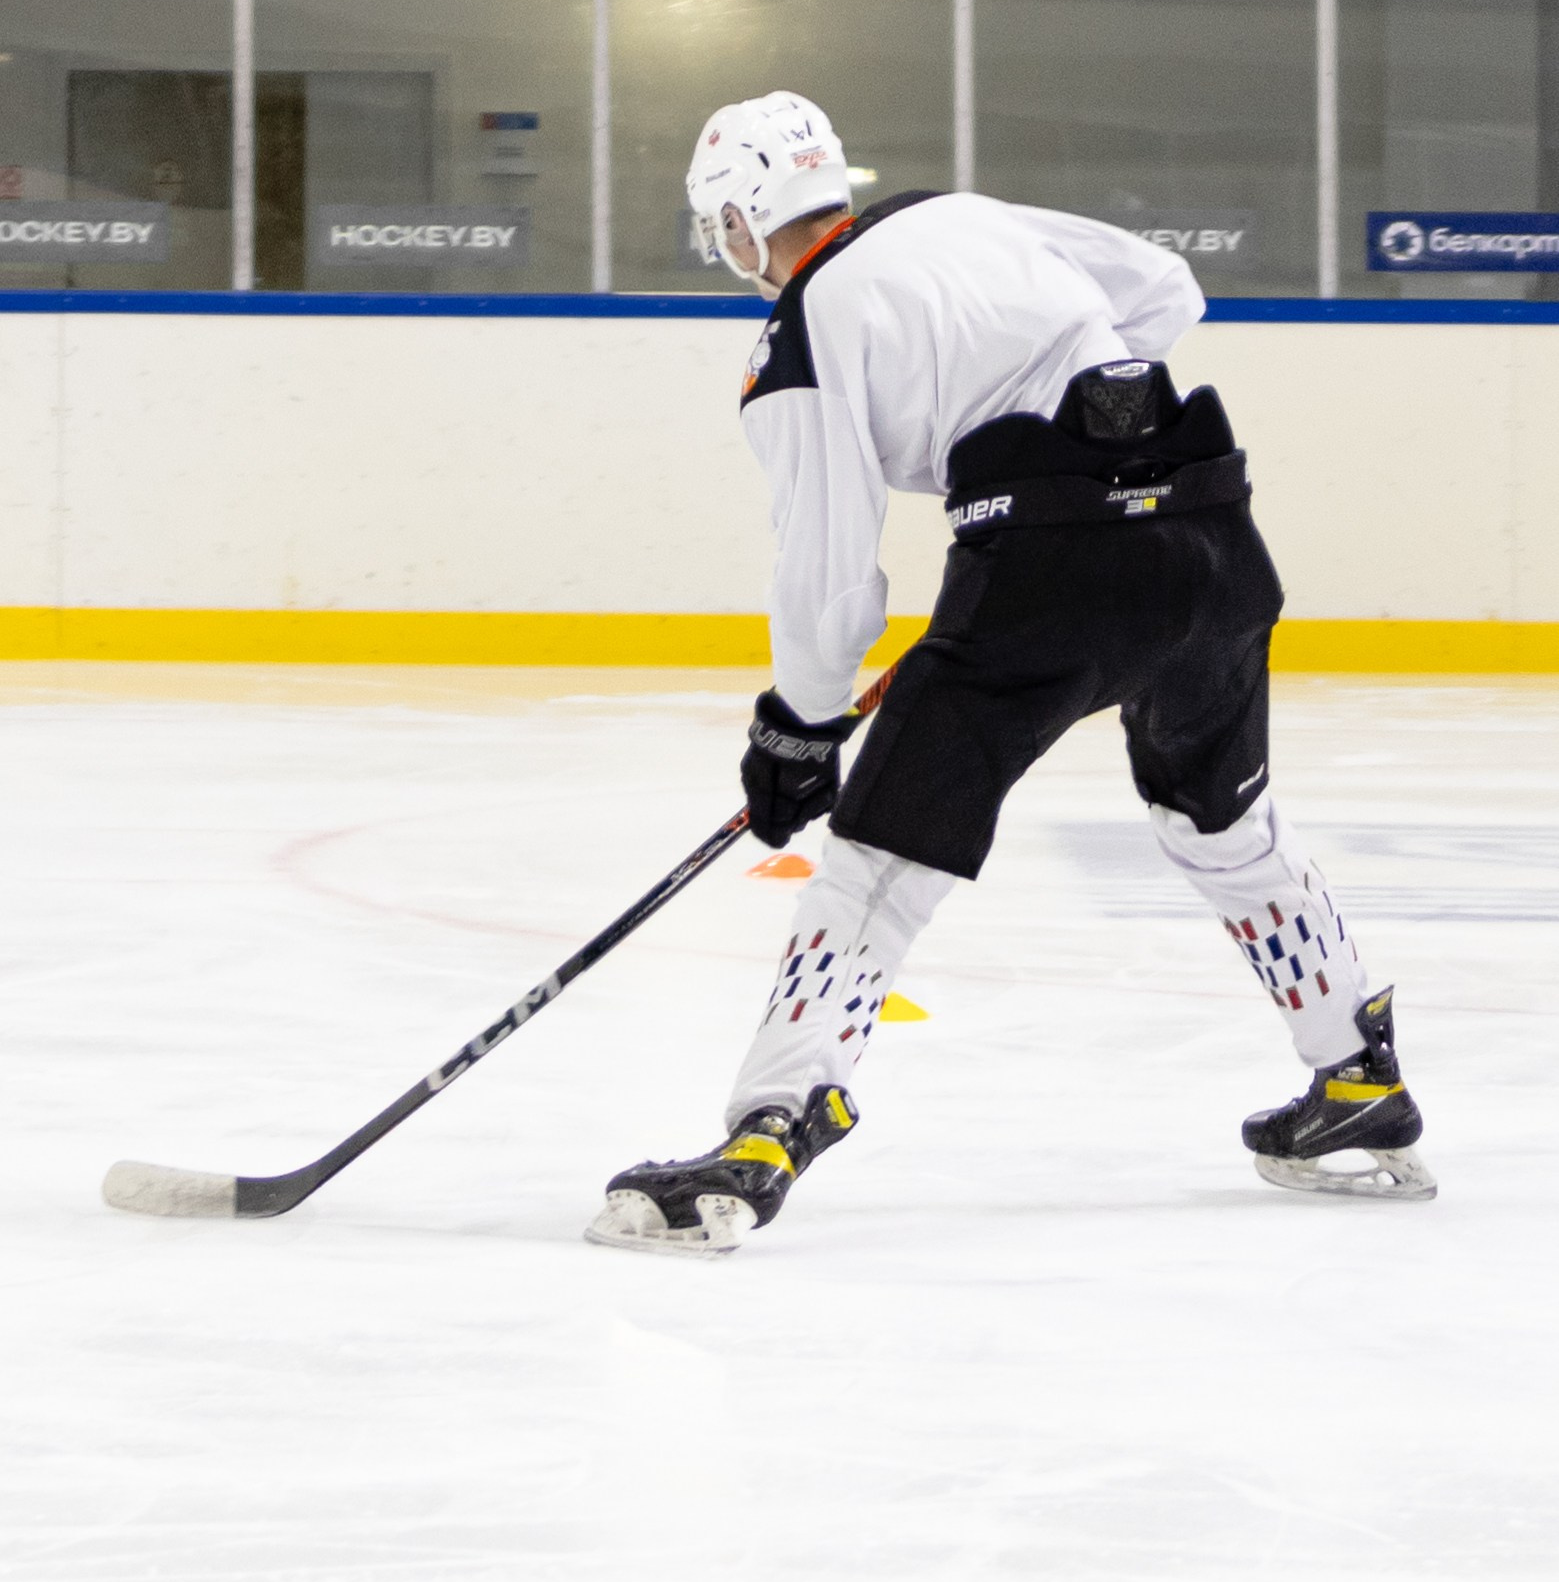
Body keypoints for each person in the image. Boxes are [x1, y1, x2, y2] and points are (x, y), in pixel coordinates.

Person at [588, 92, 1431, 1257]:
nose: (723, 251)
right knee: (1221, 825)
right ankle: (1354, 1075)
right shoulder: (958, 215)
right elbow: (1163, 290)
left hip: (1052, 585)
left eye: (719, 227)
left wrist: (797, 729)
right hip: (1213, 539)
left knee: (880, 863)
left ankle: (766, 1133)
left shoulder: (799, 335)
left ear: (743, 213)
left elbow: (829, 578)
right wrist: (1066, 420)